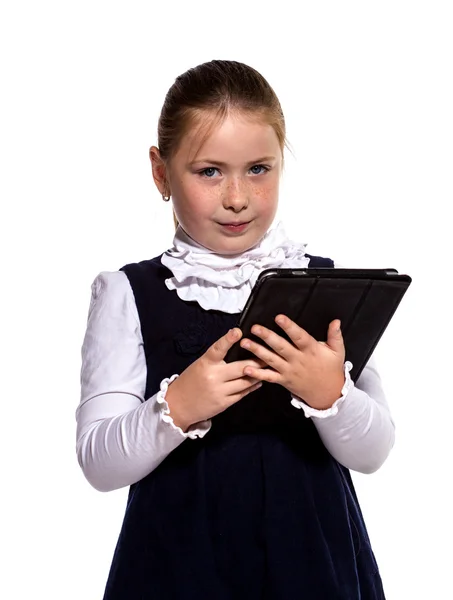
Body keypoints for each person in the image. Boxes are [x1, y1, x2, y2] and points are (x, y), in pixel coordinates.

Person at [76, 59, 393, 599]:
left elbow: (374, 451)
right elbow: (99, 463)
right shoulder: (130, 293)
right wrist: (176, 406)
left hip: (313, 563)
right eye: (209, 171)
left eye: (258, 169)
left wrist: (332, 396)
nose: (237, 197)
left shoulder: (324, 286)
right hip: (179, 564)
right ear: (161, 172)